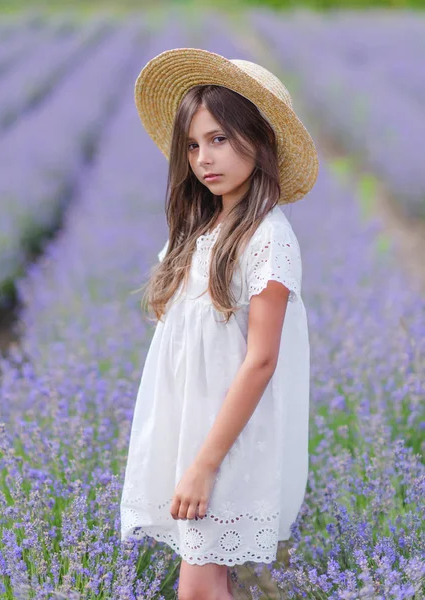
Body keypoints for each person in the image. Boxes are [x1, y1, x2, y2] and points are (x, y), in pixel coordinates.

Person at [120, 48, 319, 600]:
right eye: (193, 143)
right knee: (205, 585)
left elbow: (261, 359)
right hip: (193, 432)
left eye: (220, 139)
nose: (204, 158)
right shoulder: (200, 232)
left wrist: (204, 465)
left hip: (227, 443)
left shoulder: (267, 238)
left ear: (260, 142)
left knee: (200, 588)